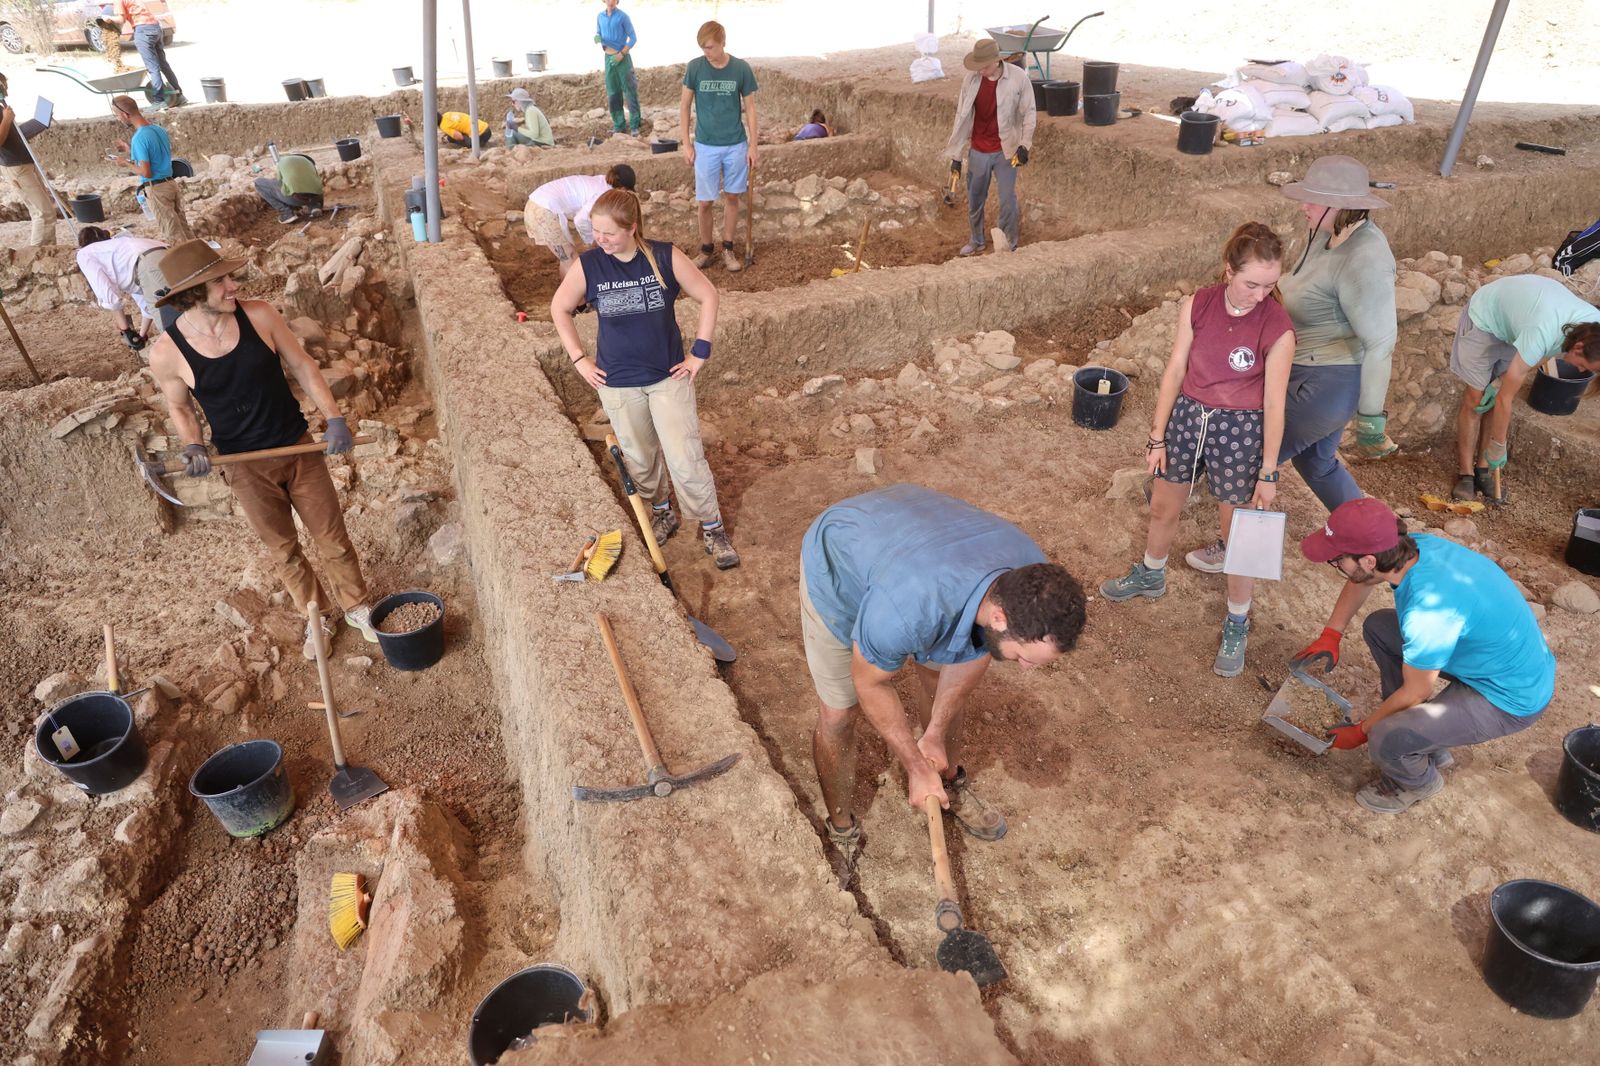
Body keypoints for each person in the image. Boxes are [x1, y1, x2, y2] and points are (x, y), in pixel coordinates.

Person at [802, 484, 1086, 881]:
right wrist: (914, 765)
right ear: (1001, 618)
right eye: (1024, 657)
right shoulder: (907, 608)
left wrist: (934, 733)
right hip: (842, 558)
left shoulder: (1027, 578)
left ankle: (948, 778)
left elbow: (975, 652)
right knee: (839, 713)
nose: (1025, 669)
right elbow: (870, 684)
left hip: (920, 545)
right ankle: (841, 828)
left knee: (940, 693)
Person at [144, 240, 379, 661]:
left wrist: (334, 417)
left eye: (230, 278)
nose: (233, 286)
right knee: (285, 549)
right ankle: (317, 616)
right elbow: (180, 407)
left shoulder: (260, 316)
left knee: (332, 537)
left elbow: (303, 365)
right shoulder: (166, 353)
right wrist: (193, 444)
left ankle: (357, 607)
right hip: (245, 467)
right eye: (221, 282)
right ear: (194, 293)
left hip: (297, 447)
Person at [1185, 156, 1397, 573]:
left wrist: (1372, 418)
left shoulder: (1365, 257)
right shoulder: (1327, 233)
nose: (1304, 206)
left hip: (1325, 384)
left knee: (1251, 457)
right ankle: (1382, 541)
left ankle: (1235, 548)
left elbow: (1381, 340)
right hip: (1308, 373)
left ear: (1342, 204)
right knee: (1318, 465)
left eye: (1313, 200)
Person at [1101, 223, 1295, 678]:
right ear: (1228, 271)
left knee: (1240, 535)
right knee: (1163, 506)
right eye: (1252, 283)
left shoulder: (1278, 328)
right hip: (1190, 418)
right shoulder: (1199, 304)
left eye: (1270, 285)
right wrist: (1157, 435)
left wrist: (1268, 472)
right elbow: (1175, 370)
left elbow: (1274, 403)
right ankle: (1151, 573)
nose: (1261, 294)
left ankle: (1237, 620)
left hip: (1241, 430)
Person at [1295, 497, 1553, 813]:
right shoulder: (1412, 548)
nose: (1337, 566)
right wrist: (1331, 634)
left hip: (1507, 698)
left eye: (1338, 561)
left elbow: (1418, 690)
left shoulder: (1427, 612)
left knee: (1384, 737)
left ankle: (1417, 781)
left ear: (1368, 561)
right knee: (1379, 627)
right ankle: (1424, 737)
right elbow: (1361, 580)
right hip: (1487, 661)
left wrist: (1362, 731)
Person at [550, 187, 740, 570]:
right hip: (617, 382)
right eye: (595, 231)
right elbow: (560, 307)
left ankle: (712, 526)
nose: (599, 240)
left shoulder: (664, 256)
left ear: (632, 228)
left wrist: (699, 352)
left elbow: (708, 294)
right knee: (639, 457)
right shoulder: (590, 266)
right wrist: (580, 360)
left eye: (608, 233)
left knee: (685, 455)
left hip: (667, 375)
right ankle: (662, 510)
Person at [1447, 274, 1600, 504]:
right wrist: (1500, 444)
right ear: (1578, 348)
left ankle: (1483, 469)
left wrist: (1500, 382)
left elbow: (1543, 353)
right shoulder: (1542, 331)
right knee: (1476, 399)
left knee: (1495, 395)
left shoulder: (1594, 328)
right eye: (1582, 366)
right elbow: (1505, 400)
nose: (1580, 372)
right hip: (1485, 317)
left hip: (1520, 322)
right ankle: (1466, 474)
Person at [943, 38, 1034, 256]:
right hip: (978, 150)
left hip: (1006, 150)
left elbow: (1029, 112)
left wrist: (1024, 145)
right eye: (978, 66)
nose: (981, 71)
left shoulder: (1018, 78)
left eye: (984, 66)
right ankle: (976, 240)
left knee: (1007, 199)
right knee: (975, 199)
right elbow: (961, 117)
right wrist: (956, 155)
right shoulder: (971, 80)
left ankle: (1007, 243)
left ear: (997, 60)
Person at [679, 20, 758, 273]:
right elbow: (684, 106)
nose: (706, 53)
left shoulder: (741, 69)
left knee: (732, 196)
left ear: (723, 43)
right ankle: (705, 249)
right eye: (703, 48)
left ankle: (727, 247)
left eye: (710, 47)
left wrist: (753, 145)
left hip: (735, 144)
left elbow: (751, 109)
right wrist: (686, 143)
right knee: (704, 201)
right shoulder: (695, 68)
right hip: (705, 145)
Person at [524, 164, 635, 280]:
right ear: (623, 188)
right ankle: (576, 296)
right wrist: (590, 242)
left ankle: (567, 290)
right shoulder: (604, 194)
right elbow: (580, 220)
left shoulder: (601, 181)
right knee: (571, 259)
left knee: (567, 258)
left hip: (536, 203)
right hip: (543, 210)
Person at [110, 94, 191, 244]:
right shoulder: (157, 129)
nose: (119, 119)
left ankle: (189, 265)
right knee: (184, 228)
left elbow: (146, 172)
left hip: (157, 189)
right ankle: (201, 259)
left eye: (117, 115)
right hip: (170, 183)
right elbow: (154, 156)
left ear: (124, 114)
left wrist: (125, 163)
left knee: (172, 233)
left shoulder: (139, 138)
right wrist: (130, 150)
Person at [74, 226, 172, 348]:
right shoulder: (120, 253)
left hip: (149, 263)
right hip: (169, 253)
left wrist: (126, 331)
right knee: (185, 309)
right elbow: (147, 306)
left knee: (170, 325)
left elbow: (109, 295)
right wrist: (141, 336)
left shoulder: (84, 254)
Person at [0, 73, 57, 247]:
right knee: (43, 213)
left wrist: (37, 124)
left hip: (23, 164)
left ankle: (50, 252)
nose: (7, 89)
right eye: (4, 85)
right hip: (17, 168)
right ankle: (36, 255)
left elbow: (11, 134)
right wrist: (7, 120)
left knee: (44, 212)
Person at [114, 1, 184, 108]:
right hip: (155, 27)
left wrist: (107, 19)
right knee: (163, 65)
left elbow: (120, 20)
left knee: (153, 67)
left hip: (143, 30)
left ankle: (159, 101)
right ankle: (180, 96)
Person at [596, 0, 641, 137]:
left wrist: (622, 53)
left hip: (622, 58)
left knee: (629, 90)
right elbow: (598, 32)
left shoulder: (623, 16)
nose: (611, 1)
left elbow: (633, 38)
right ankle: (619, 125)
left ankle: (634, 125)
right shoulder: (600, 16)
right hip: (608, 58)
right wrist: (598, 37)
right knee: (613, 92)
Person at [254, 152, 323, 225]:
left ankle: (286, 213)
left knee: (258, 183)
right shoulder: (309, 162)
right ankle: (315, 206)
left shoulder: (283, 161)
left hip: (295, 199)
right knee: (309, 184)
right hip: (317, 198)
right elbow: (317, 182)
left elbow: (280, 181)